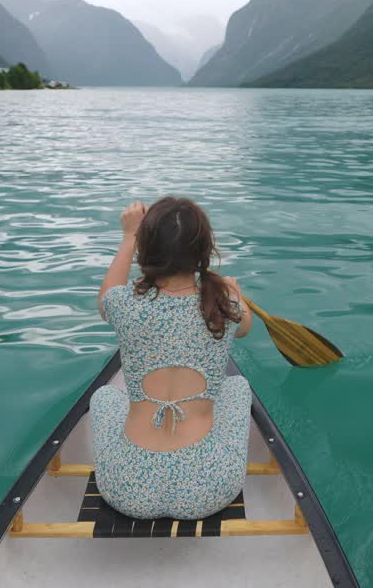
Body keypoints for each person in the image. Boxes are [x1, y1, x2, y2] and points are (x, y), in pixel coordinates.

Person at [91, 196, 253, 520]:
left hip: (126, 488)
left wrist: (127, 236)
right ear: (204, 252)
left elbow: (106, 296)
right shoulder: (226, 308)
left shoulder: (124, 305)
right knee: (236, 388)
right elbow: (246, 326)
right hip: (209, 489)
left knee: (106, 395)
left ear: (145, 250)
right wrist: (235, 293)